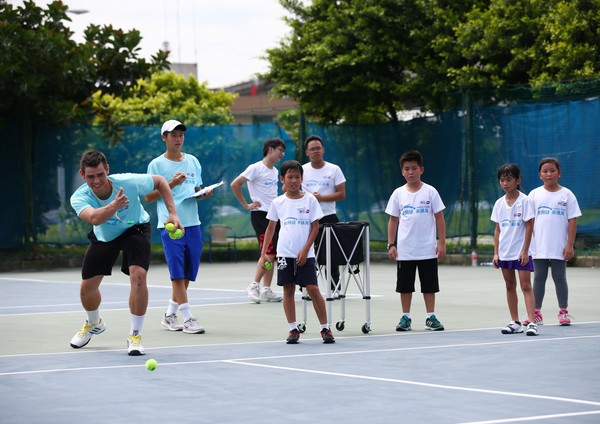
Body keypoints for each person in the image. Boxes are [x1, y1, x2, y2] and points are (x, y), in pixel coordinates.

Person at [69, 150, 183, 356]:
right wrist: (114, 205)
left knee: (139, 276)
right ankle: (94, 322)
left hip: (135, 227)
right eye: (91, 176)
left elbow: (159, 182)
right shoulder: (79, 197)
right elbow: (94, 218)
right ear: (82, 175)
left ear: (108, 171)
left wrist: (172, 213)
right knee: (87, 288)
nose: (96, 181)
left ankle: (135, 334)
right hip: (105, 235)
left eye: (100, 174)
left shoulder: (128, 182)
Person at [145, 119, 214, 335]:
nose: (178, 138)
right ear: (164, 138)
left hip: (193, 224)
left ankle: (170, 314)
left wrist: (204, 194)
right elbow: (148, 197)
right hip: (170, 225)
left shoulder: (193, 161)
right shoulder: (156, 165)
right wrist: (171, 184)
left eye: (181, 134)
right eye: (173, 135)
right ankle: (188, 318)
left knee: (186, 274)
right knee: (177, 273)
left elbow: (196, 189)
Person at [259, 160, 335, 344]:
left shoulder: (310, 199)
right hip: (285, 253)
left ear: (302, 179)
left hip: (306, 254)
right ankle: (293, 329)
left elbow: (315, 227)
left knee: (313, 289)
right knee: (288, 289)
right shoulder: (278, 202)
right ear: (282, 179)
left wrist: (305, 249)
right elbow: (270, 228)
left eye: (297, 177)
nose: (293, 181)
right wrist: (263, 254)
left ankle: (325, 328)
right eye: (290, 177)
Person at [385, 150, 446, 332]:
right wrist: (391, 244)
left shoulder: (430, 192)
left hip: (427, 249)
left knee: (429, 284)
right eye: (407, 169)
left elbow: (439, 217)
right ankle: (406, 317)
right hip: (405, 250)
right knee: (405, 285)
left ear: (421, 169)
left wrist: (441, 242)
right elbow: (393, 220)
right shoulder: (398, 194)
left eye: (414, 168)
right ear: (402, 172)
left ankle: (430, 317)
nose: (410, 172)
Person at [525, 157, 581, 326]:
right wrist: (527, 246)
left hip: (559, 246)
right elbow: (529, 222)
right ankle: (536, 313)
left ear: (559, 173)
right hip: (539, 245)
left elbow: (572, 221)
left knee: (559, 277)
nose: (549, 174)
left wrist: (569, 245)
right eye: (545, 171)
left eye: (552, 171)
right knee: (539, 278)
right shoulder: (534, 195)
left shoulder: (567, 194)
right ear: (540, 175)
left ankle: (563, 312)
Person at [230, 138, 286, 303]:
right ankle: (253, 285)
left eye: (283, 151)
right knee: (267, 252)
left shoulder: (275, 171)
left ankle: (266, 289)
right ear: (270, 149)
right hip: (260, 215)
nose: (282, 154)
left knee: (273, 253)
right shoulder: (255, 168)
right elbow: (235, 184)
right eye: (279, 150)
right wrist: (246, 205)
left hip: (275, 216)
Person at [490, 164, 538, 336]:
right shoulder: (498, 203)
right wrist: (496, 252)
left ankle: (532, 322)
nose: (505, 183)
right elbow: (497, 229)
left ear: (518, 181)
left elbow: (529, 226)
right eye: (502, 180)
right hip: (504, 252)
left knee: (526, 286)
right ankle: (515, 322)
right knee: (510, 286)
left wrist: (525, 251)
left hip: (521, 253)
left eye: (509, 179)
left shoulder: (525, 201)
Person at [302, 135, 346, 294]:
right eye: (312, 149)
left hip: (329, 217)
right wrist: (309, 198)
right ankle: (306, 288)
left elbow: (341, 194)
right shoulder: (302, 170)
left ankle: (335, 288)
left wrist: (320, 198)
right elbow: (290, 190)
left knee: (331, 255)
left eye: (318, 148)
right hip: (307, 219)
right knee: (306, 253)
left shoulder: (334, 169)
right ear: (307, 152)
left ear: (323, 150)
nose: (315, 151)